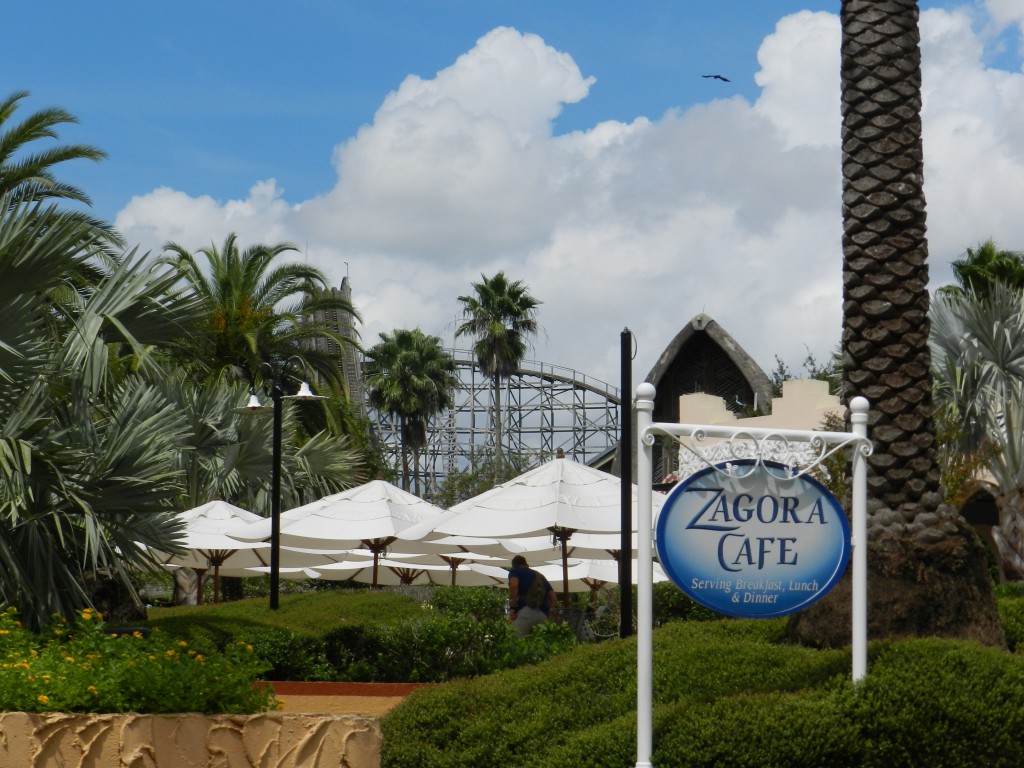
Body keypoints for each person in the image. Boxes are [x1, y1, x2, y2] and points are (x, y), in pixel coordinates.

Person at [507, 555, 558, 637]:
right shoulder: (541, 576)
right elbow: (554, 598)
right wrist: (550, 614)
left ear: (514, 565)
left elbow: (513, 586)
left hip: (525, 611)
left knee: (514, 640)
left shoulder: (515, 571)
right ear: (525, 563)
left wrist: (512, 608)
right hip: (543, 615)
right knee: (539, 645)